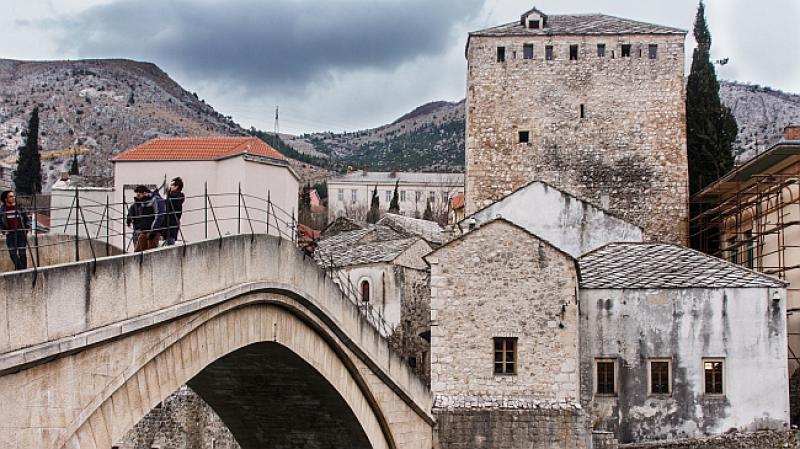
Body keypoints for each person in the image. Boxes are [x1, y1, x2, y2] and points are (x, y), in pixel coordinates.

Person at [127, 186, 165, 252]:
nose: (137, 196)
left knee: (151, 251)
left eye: (139, 194)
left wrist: (153, 231)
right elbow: (133, 208)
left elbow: (159, 216)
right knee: (138, 251)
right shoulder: (143, 201)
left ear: (144, 193)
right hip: (144, 230)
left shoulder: (156, 200)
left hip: (153, 231)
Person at [0, 190, 31, 270]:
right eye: (11, 196)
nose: (13, 198)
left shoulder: (19, 207)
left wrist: (26, 229)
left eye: (13, 196)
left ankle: (22, 271)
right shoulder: (2, 210)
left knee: (22, 253)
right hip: (10, 234)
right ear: (5, 199)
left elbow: (27, 219)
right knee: (12, 253)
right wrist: (3, 231)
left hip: (21, 233)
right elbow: (0, 222)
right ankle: (21, 270)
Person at [164, 177, 184, 245]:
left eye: (172, 185)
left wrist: (168, 194)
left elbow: (171, 206)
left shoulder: (176, 197)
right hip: (169, 223)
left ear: (177, 186)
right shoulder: (172, 195)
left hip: (172, 223)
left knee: (170, 242)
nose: (171, 186)